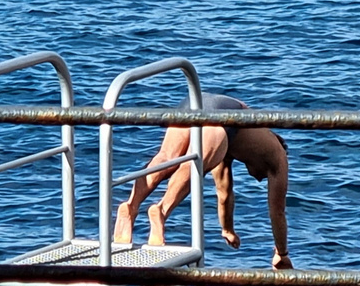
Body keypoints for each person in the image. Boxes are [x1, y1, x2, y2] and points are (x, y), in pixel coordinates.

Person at [112, 93, 292, 269]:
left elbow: (224, 192)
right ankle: (161, 210)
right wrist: (281, 254)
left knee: (165, 157)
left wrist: (227, 230)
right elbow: (277, 212)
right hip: (219, 116)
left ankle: (130, 206)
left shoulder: (236, 142)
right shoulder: (279, 158)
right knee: (193, 168)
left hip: (194, 101)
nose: (259, 179)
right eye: (263, 178)